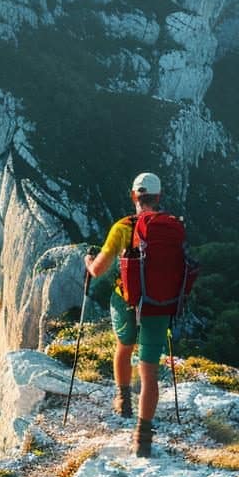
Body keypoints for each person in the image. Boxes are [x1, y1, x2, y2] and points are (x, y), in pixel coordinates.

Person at [83, 172, 171, 458]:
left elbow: (98, 270)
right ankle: (143, 439)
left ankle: (122, 400)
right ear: (158, 197)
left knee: (124, 347)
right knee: (150, 372)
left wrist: (87, 260)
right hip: (159, 305)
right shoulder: (170, 226)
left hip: (127, 301)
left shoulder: (122, 227)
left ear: (134, 196)